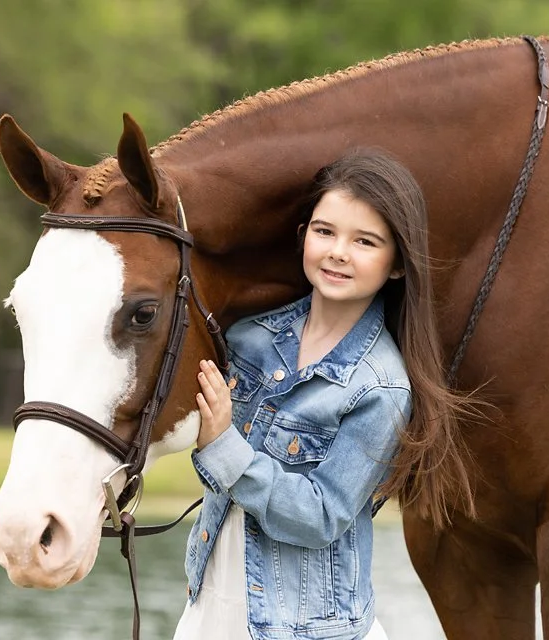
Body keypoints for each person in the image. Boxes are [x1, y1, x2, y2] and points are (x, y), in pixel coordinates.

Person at [174, 149, 469, 640]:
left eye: (365, 241)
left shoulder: (381, 386)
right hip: (209, 603)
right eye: (325, 231)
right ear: (303, 237)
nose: (338, 251)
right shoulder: (247, 338)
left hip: (305, 629)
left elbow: (321, 515)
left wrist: (225, 445)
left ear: (397, 265)